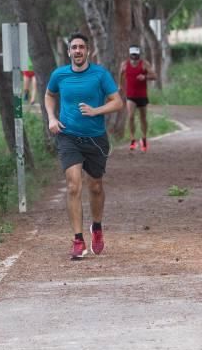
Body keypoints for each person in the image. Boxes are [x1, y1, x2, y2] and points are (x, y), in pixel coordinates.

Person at [45, 32, 123, 260]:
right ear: (68, 52)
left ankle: (96, 227)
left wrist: (95, 111)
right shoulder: (59, 75)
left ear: (88, 51)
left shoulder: (100, 74)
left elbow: (117, 102)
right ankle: (78, 240)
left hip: (95, 138)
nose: (77, 51)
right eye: (74, 47)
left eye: (81, 47)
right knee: (73, 186)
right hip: (68, 137)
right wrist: (51, 118)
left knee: (96, 186)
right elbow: (49, 95)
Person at [119, 45, 157, 153]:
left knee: (143, 118)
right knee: (130, 116)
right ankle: (132, 139)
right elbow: (121, 75)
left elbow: (154, 76)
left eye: (136, 55)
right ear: (129, 54)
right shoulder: (124, 64)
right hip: (130, 96)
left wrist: (145, 77)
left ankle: (144, 138)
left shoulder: (144, 64)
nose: (134, 57)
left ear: (139, 55)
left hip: (142, 95)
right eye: (132, 55)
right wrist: (120, 86)